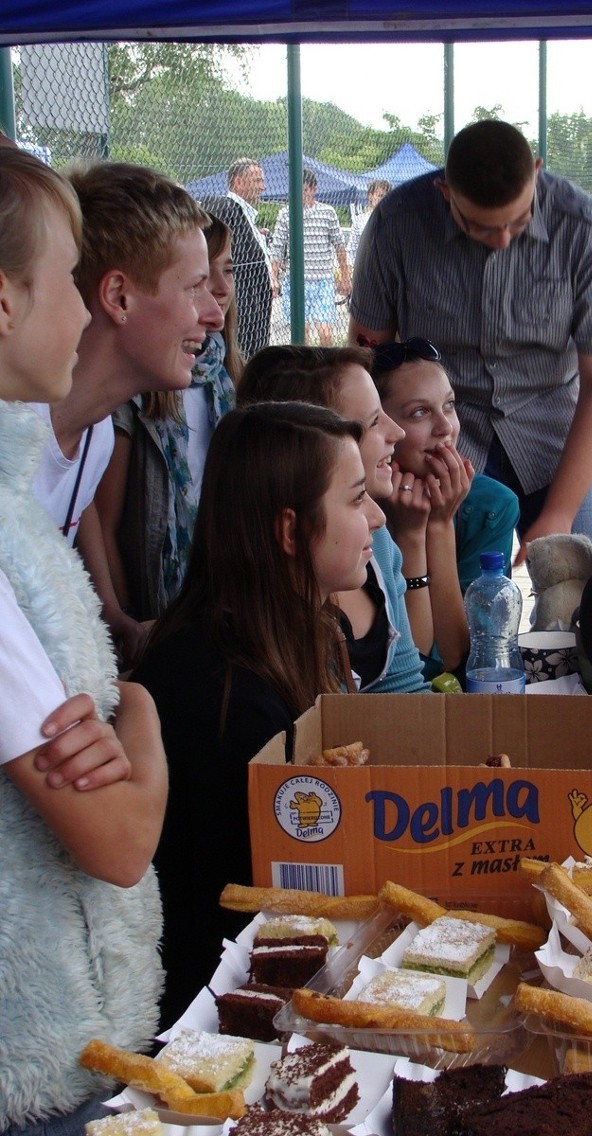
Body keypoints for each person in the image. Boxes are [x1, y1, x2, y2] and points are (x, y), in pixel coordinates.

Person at [0, 147, 167, 1135]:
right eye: (68, 277)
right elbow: (116, 835)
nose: (82, 307)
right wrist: (140, 717)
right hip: (39, 1062)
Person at [131, 400, 383, 1025]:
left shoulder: (298, 634)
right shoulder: (222, 693)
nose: (375, 516)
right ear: (292, 532)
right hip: (217, 1016)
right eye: (355, 500)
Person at [349, 119, 592, 563]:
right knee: (447, 599)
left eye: (518, 223)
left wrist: (559, 515)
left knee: (586, 586)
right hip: (445, 436)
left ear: (537, 172)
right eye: (481, 228)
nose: (502, 240)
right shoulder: (396, 224)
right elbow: (367, 361)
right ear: (447, 194)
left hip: (556, 431)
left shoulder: (586, 232)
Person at [29, 160, 221, 552]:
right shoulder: (16, 432)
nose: (215, 315)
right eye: (194, 287)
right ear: (119, 297)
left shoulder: (95, 436)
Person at [92, 215, 242, 667]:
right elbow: (100, 520)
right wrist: (123, 615)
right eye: (197, 281)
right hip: (154, 621)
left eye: (228, 269)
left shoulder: (229, 376)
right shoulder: (128, 399)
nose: (217, 293)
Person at [238, 345, 431, 695]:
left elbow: (408, 690)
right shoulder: (266, 599)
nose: (397, 433)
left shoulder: (377, 541)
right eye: (373, 421)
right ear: (318, 439)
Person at [371, 336, 520, 680]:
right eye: (420, 412)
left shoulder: (491, 506)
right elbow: (413, 665)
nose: (446, 428)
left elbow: (459, 658)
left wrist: (439, 525)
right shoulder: (360, 504)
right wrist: (410, 532)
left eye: (449, 405)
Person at [199, 157, 272, 355]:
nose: (262, 187)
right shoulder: (227, 211)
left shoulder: (243, 214)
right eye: (257, 180)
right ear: (238, 182)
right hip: (241, 313)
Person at [270, 169, 352, 346]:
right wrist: (274, 276)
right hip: (296, 281)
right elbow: (277, 247)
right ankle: (306, 370)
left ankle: (326, 366)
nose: (301, 195)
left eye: (305, 190)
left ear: (314, 189)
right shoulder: (285, 214)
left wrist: (345, 277)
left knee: (326, 333)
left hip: (322, 280)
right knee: (302, 334)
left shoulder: (327, 212)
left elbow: (339, 246)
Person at [348, 178, 391, 265]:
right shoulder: (359, 220)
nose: (383, 199)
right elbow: (351, 248)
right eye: (380, 195)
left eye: (387, 196)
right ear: (370, 196)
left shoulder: (394, 220)